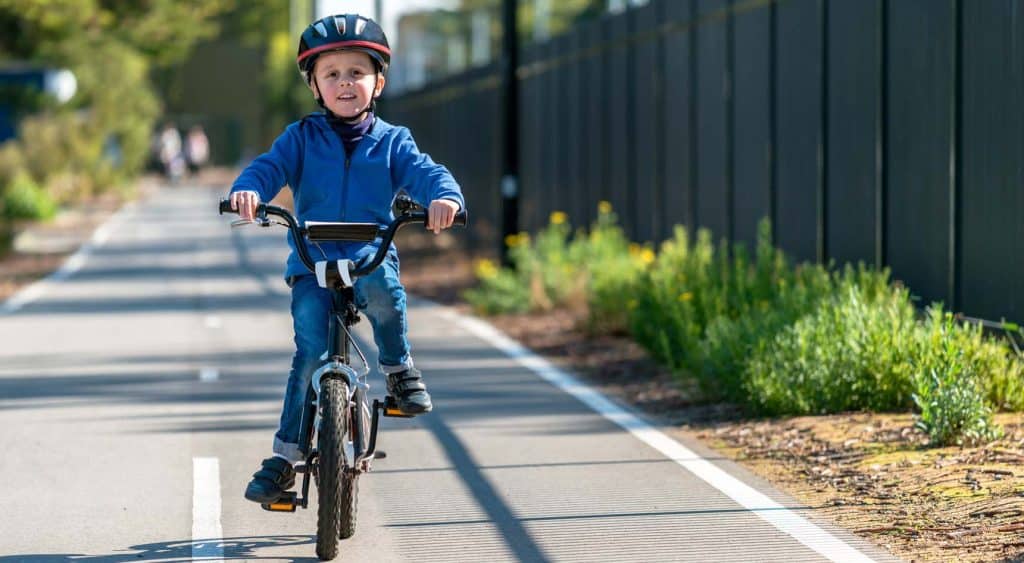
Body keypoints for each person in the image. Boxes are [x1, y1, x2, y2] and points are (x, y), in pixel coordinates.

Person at [227, 13, 465, 504]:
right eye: (331, 74)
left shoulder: (394, 142)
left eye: (357, 72)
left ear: (378, 82)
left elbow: (427, 173)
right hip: (311, 261)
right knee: (310, 350)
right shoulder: (299, 139)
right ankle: (285, 456)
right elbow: (266, 169)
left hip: (368, 253)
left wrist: (446, 198)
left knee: (385, 294)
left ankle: (398, 370)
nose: (345, 83)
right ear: (314, 85)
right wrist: (247, 191)